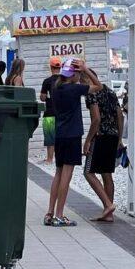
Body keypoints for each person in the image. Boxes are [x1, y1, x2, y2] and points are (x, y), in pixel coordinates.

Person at [45, 58, 101, 227]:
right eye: (78, 73)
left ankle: (50, 213)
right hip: (72, 135)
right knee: (66, 176)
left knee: (58, 173)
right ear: (73, 74)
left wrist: (80, 70)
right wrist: (86, 69)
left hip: (60, 134)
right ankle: (59, 215)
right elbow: (98, 86)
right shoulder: (74, 89)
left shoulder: (56, 88)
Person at [84, 82, 123, 221]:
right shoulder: (110, 92)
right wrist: (119, 138)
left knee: (88, 172)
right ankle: (108, 215)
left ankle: (108, 205)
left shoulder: (91, 93)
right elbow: (120, 115)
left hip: (100, 136)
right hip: (113, 136)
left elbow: (96, 119)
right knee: (107, 174)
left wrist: (88, 140)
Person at [39, 57, 61, 164]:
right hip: (62, 113)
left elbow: (43, 98)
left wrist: (46, 97)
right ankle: (60, 157)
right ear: (60, 67)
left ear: (51, 67)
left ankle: (50, 159)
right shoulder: (64, 80)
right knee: (60, 136)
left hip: (49, 112)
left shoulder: (47, 81)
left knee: (50, 136)